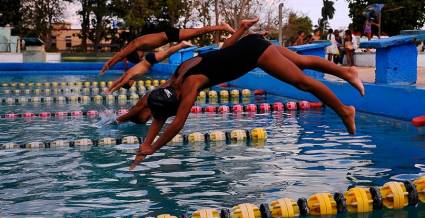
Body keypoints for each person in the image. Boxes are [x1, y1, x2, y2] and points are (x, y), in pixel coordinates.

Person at [107, 18, 363, 169]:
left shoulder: (190, 87)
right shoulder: (174, 79)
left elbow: (175, 125)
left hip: (254, 54)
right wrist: (146, 147)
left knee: (303, 83)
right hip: (246, 47)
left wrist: (154, 148)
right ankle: (348, 73)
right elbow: (160, 115)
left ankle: (343, 110)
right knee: (302, 61)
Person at [99, 23, 235, 75]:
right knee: (197, 32)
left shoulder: (135, 44)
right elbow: (123, 56)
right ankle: (222, 27)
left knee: (197, 32)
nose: (141, 58)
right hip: (169, 36)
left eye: (139, 57)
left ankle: (222, 27)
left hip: (169, 34)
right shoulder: (140, 47)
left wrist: (108, 64)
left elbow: (120, 54)